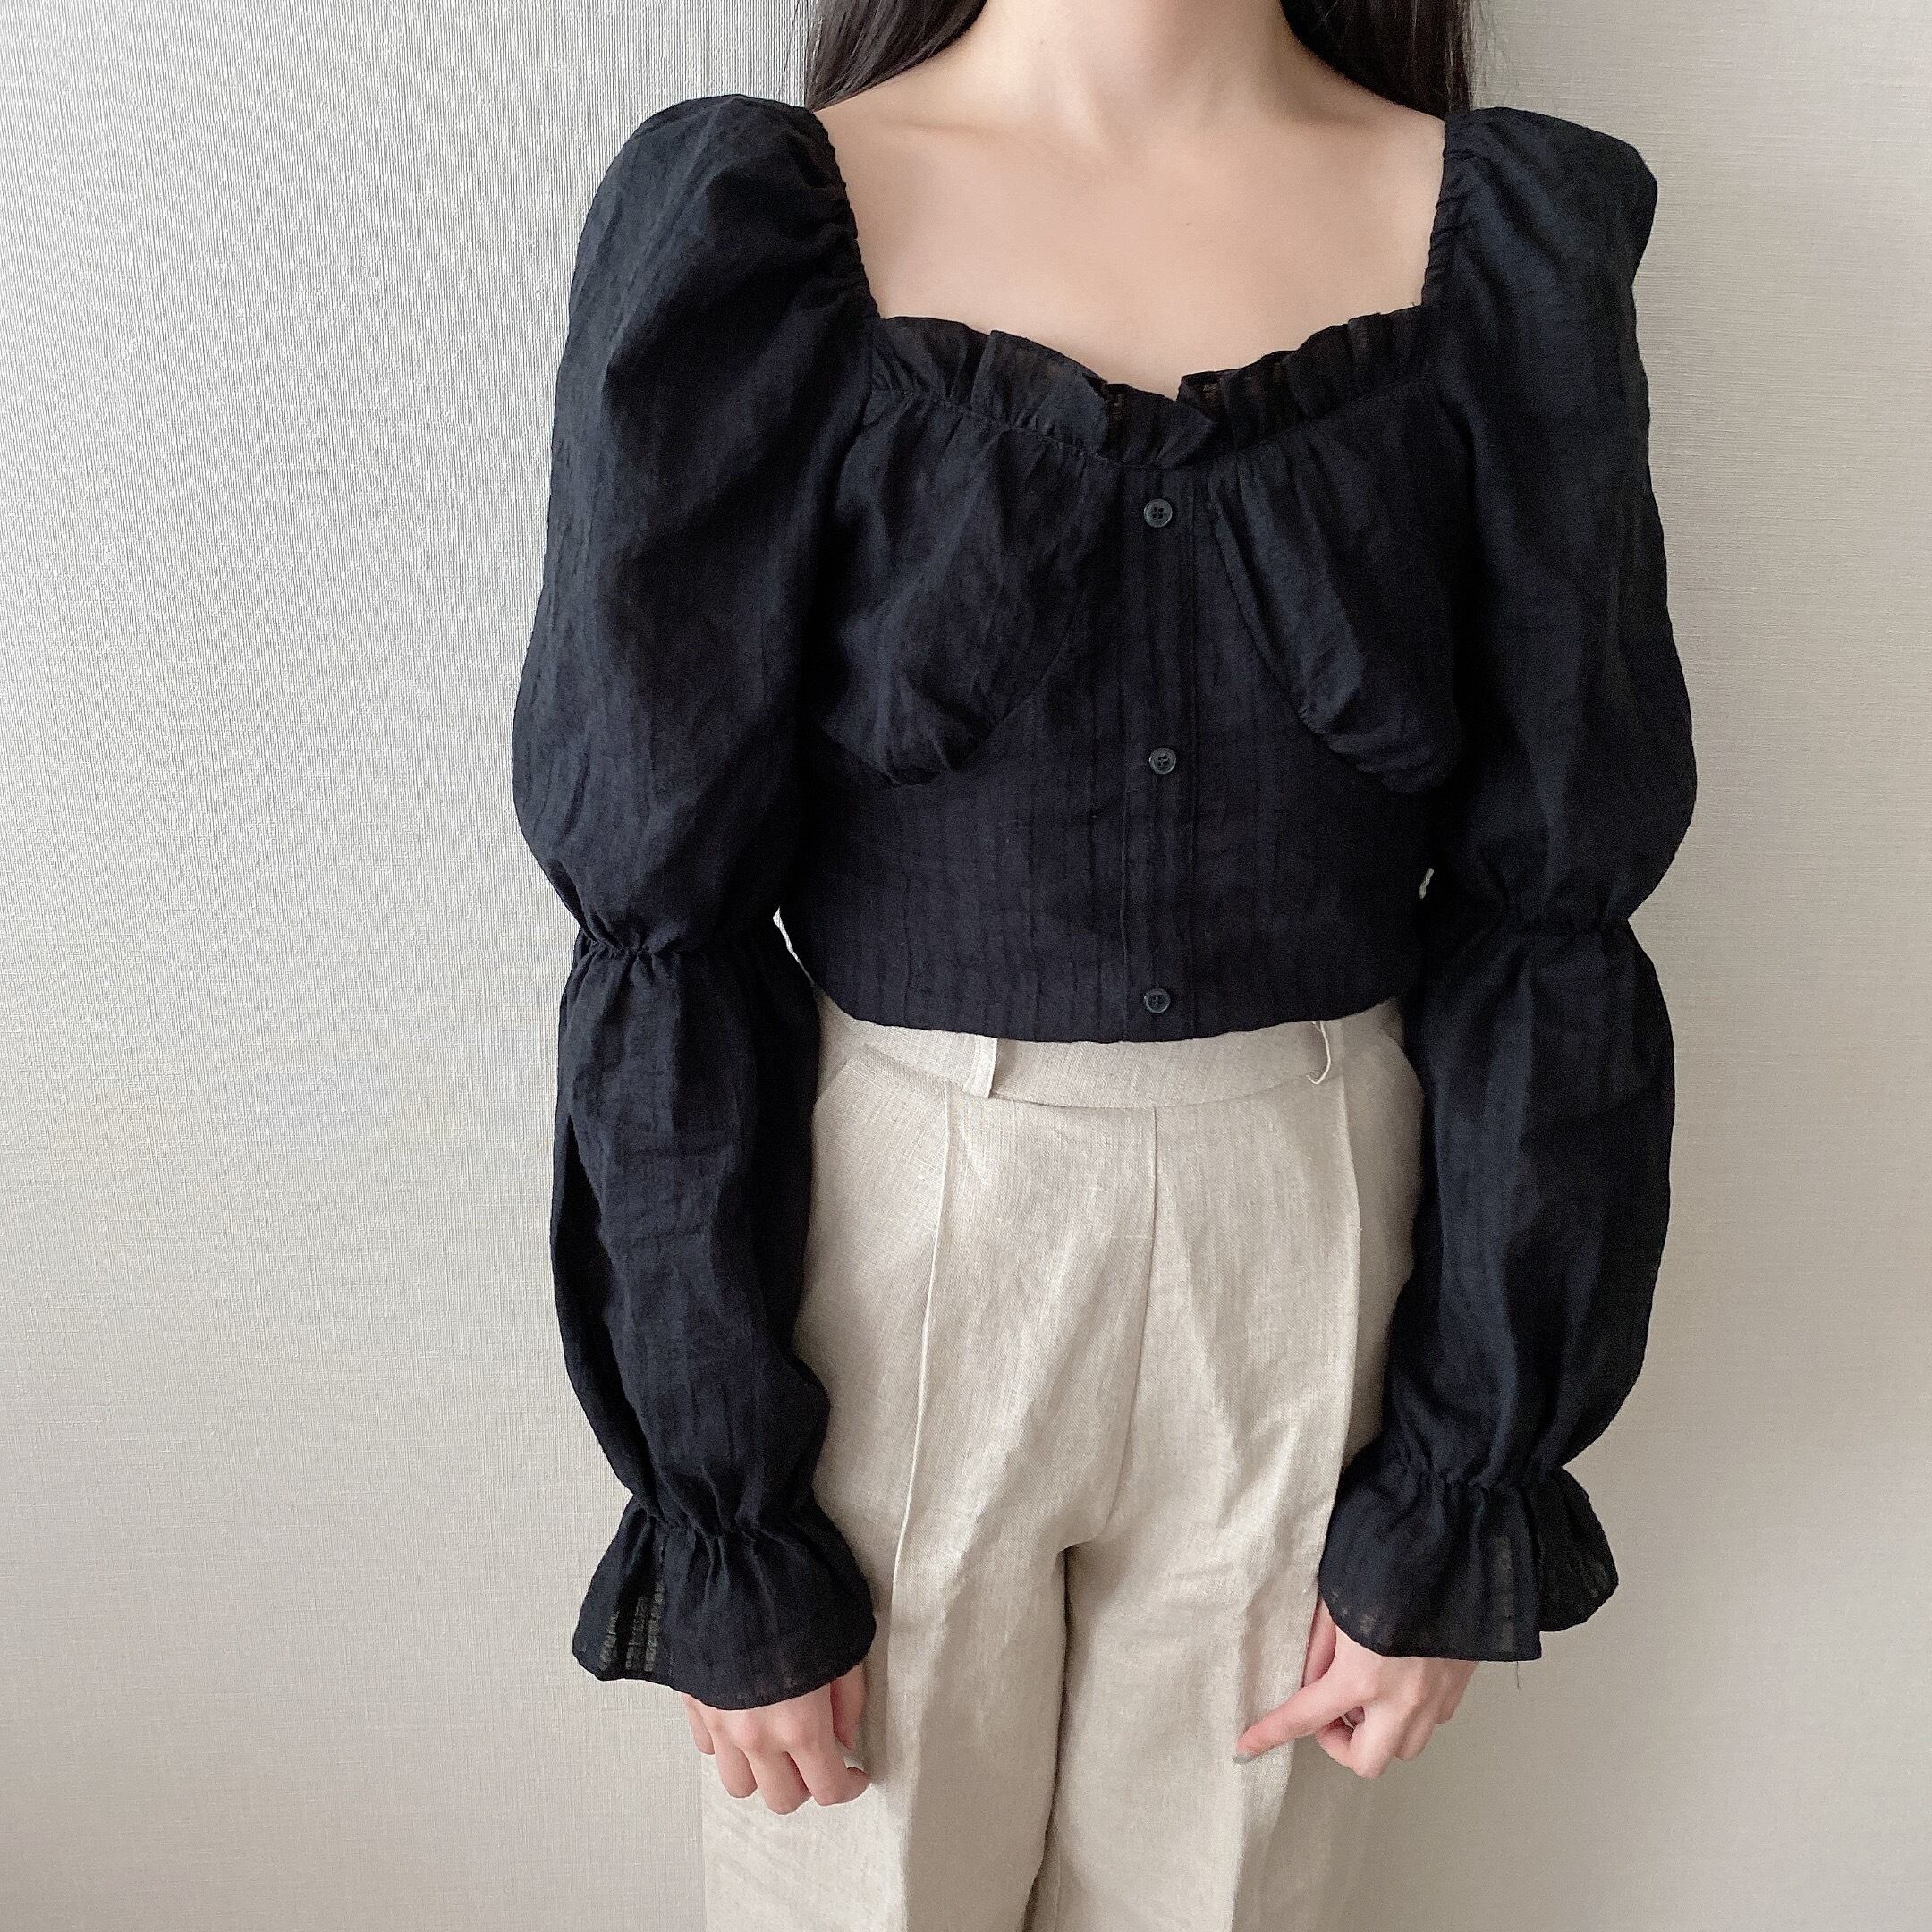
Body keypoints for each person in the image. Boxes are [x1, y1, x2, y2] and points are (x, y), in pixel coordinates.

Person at [508, 0, 1698, 1923]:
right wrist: (723, 1511)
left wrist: (1462, 1481)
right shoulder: (764, 227)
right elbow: (665, 916)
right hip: (897, 1232)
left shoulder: (1502, 244)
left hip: (1316, 1226)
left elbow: (1553, 905)